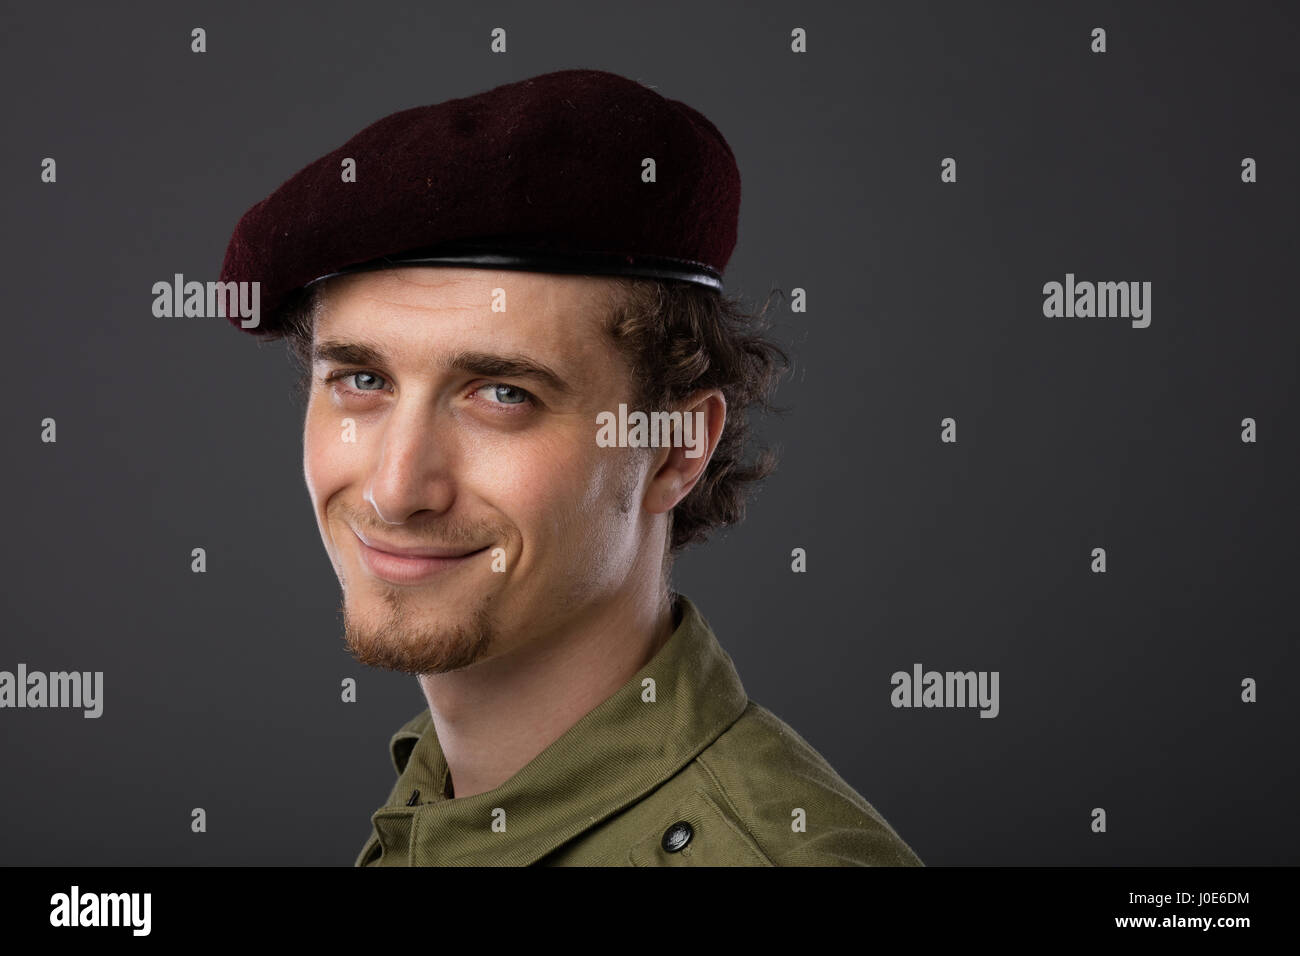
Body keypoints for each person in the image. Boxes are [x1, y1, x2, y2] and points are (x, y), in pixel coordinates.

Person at [221, 68, 922, 866]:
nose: (395, 487)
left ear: (675, 448)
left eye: (501, 394)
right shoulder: (442, 800)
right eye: (363, 381)